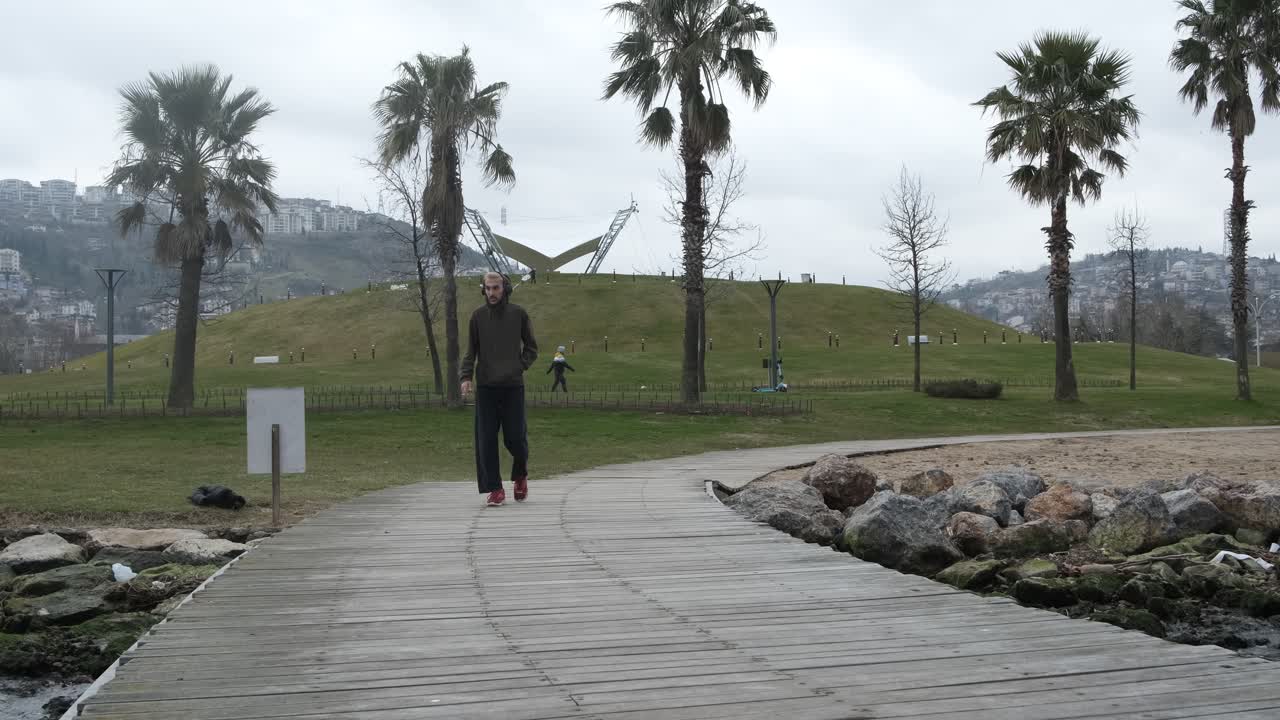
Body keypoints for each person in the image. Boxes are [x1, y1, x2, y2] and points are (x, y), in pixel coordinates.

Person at [461, 271, 538, 506]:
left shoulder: (519, 314)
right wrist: (466, 377)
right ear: (483, 289)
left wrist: (518, 367)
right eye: (488, 288)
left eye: (496, 288)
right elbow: (471, 351)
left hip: (513, 386)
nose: (492, 293)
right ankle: (495, 489)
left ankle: (520, 475)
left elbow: (531, 348)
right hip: (486, 387)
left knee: (516, 438)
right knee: (486, 440)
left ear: (504, 288)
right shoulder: (477, 317)